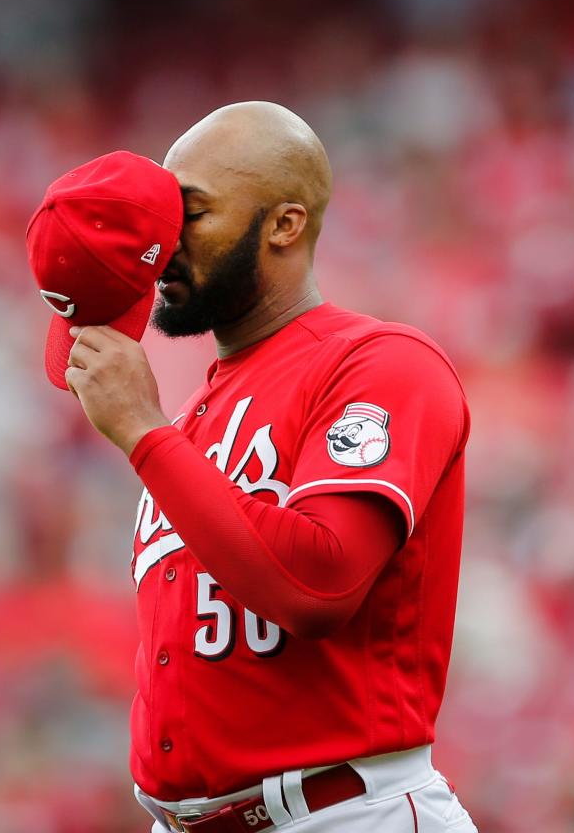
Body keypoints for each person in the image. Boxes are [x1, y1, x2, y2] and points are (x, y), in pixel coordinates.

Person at [58, 102, 476, 832]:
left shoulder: (380, 363)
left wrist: (144, 432)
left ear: (284, 224)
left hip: (343, 811)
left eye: (191, 212)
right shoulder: (188, 417)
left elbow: (318, 584)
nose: (164, 243)